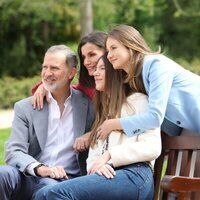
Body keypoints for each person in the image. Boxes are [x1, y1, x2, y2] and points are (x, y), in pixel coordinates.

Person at [35, 54, 161, 200]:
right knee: (42, 194)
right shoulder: (104, 112)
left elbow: (152, 146)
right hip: (108, 175)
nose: (95, 73)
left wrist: (110, 156)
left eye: (102, 69)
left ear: (115, 73)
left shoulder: (139, 101)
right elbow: (94, 156)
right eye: (96, 69)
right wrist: (97, 166)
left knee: (53, 194)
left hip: (135, 175)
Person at [0, 45, 95, 200]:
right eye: (45, 67)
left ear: (72, 72)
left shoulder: (88, 106)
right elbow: (13, 151)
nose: (47, 73)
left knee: (49, 188)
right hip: (29, 174)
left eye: (54, 68)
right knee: (2, 174)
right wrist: (40, 168)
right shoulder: (25, 107)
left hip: (62, 181)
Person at [96, 24, 200, 141]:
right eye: (108, 51)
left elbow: (155, 117)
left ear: (130, 45)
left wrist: (113, 124)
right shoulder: (135, 78)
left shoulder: (155, 65)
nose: (109, 56)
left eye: (114, 48)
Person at [31, 31, 107, 152]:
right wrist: (44, 86)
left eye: (92, 55)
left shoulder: (125, 85)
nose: (86, 62)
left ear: (108, 52)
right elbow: (67, 89)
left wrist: (92, 134)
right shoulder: (88, 88)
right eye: (83, 57)